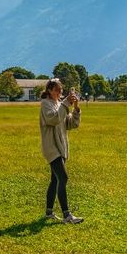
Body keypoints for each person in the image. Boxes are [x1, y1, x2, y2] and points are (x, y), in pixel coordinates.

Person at [39, 78, 83, 224]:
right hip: (52, 148)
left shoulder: (59, 104)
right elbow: (53, 119)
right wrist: (65, 104)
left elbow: (70, 124)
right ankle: (67, 215)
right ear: (50, 90)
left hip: (61, 147)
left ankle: (49, 213)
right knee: (63, 178)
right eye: (57, 89)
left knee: (54, 180)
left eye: (61, 90)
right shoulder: (45, 104)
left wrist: (75, 108)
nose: (60, 92)